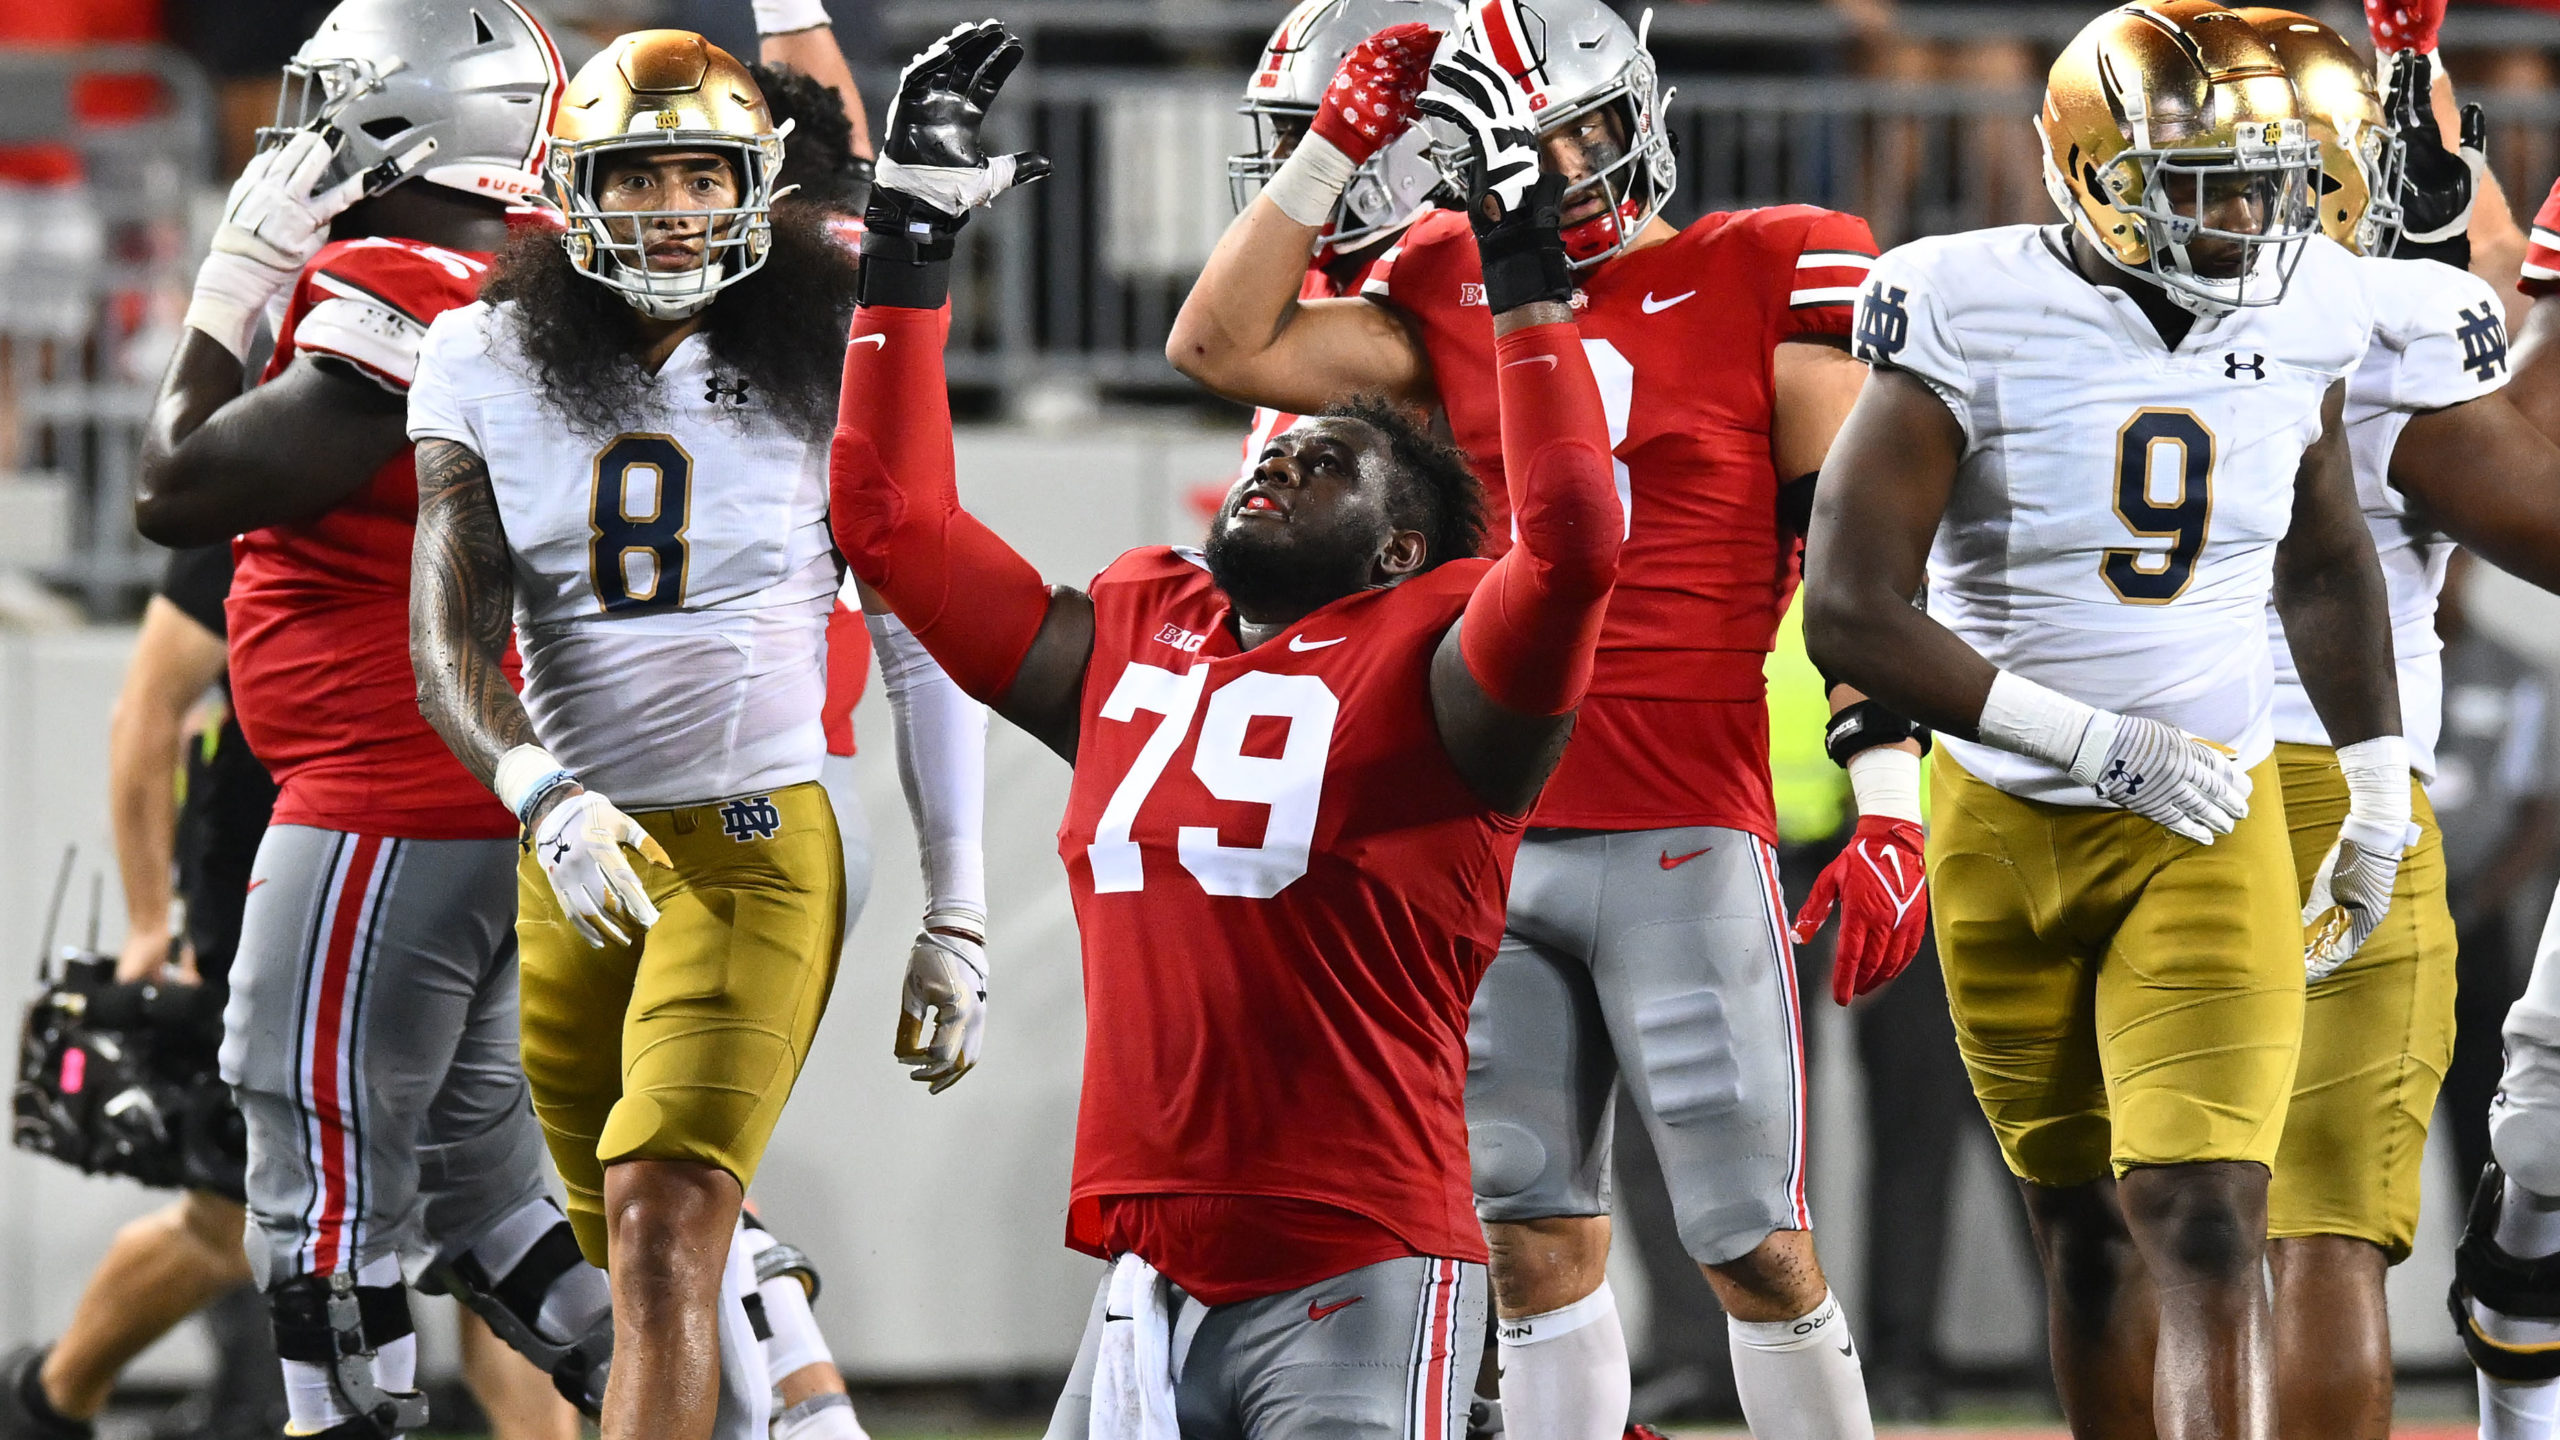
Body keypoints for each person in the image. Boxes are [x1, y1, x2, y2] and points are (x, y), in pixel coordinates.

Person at [834, 18, 1620, 1438]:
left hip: (1360, 1258)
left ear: (1403, 552)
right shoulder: (1140, 631)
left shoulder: (1442, 672)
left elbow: (1569, 550)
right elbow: (889, 526)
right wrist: (907, 247)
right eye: (1283, 449)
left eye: (1330, 464)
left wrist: (1523, 280)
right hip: (1147, 1278)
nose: (1282, 465)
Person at [1168, 1, 1913, 1435]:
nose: (1555, 163)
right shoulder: (1439, 271)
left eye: (1572, 125)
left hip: (1683, 820)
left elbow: (1853, 570)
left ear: (1639, 112)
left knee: (1752, 1236)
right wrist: (1331, 149)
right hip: (1491, 828)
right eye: (1514, 139)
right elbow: (1219, 345)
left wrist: (1888, 802)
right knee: (1529, 1237)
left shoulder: (1769, 265)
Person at [1802, 5, 2412, 1437]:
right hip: (2004, 819)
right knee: (2081, 1234)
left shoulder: (2310, 300)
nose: (2249, 220)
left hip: (2208, 814)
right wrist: (2087, 743)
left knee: (2205, 1215)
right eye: (2205, 186)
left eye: (2265, 183)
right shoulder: (1960, 298)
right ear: (2088, 170)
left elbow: (2325, 558)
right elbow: (1849, 607)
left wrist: (2376, 788)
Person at [124, 4, 712, 1437]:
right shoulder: (543, 279)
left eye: (328, 99)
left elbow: (175, 490)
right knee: (482, 1195)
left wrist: (229, 285)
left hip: (381, 796)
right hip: (500, 797)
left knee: (316, 1173)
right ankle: (743, 1401)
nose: (295, 130)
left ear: (402, 115)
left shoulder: (402, 281)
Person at [405, 28, 858, 1440]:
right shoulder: (480, 351)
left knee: (664, 1228)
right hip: (578, 852)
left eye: (703, 172)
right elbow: (447, 632)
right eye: (640, 174)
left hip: (750, 840)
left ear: (756, 185)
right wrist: (540, 792)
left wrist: (959, 900)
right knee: (642, 1254)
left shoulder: (825, 335)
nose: (672, 207)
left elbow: (906, 625)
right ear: (572, 188)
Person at [0, 544, 287, 1440]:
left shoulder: (486, 455)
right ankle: (49, 1398)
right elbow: (148, 708)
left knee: (487, 1217)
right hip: (276, 887)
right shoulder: (283, 459)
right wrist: (144, 924)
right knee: (229, 1214)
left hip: (457, 879)